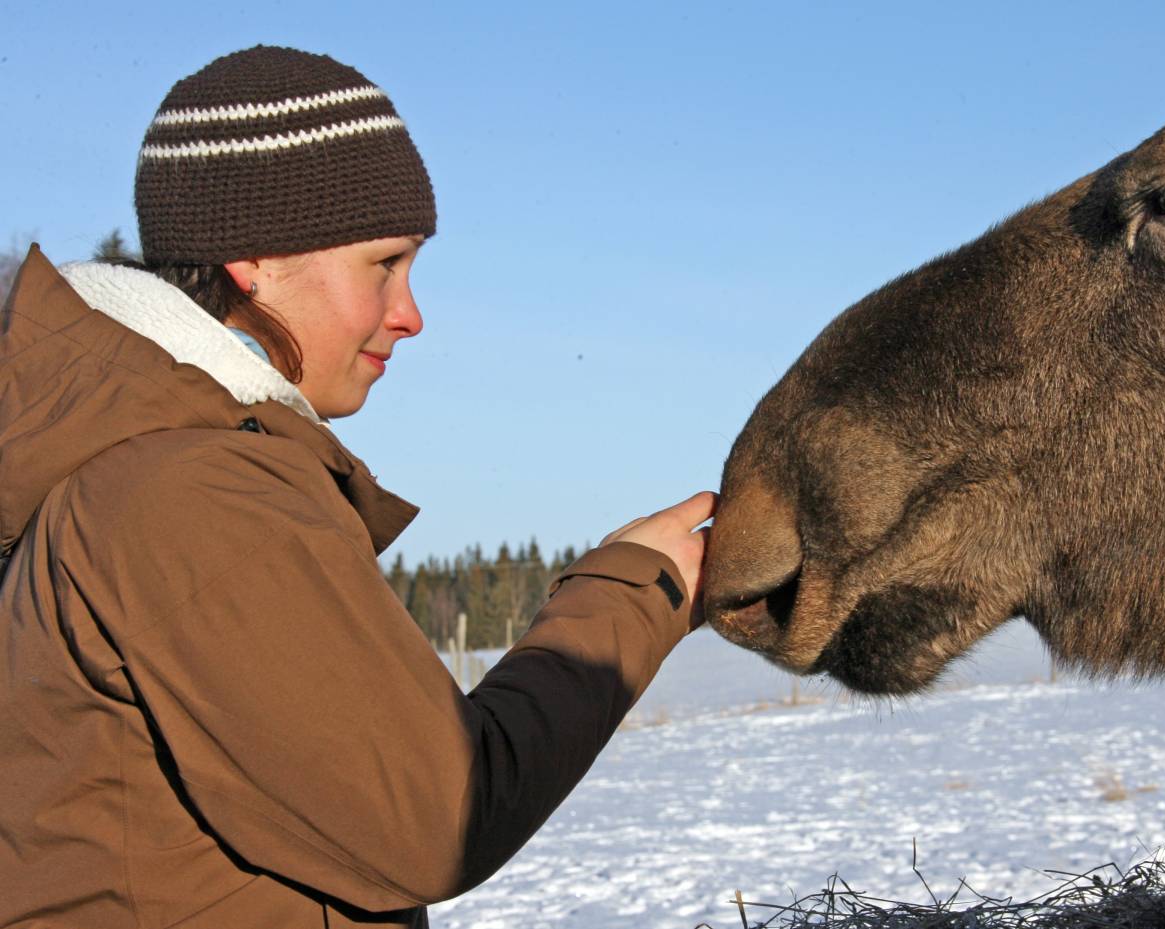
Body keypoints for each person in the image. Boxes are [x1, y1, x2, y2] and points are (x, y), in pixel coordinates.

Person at [0, 45, 714, 927]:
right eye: (384, 263)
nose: (412, 313)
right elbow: (438, 817)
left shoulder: (155, 467)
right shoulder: (189, 491)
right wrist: (635, 591)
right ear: (254, 257)